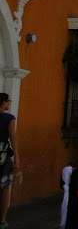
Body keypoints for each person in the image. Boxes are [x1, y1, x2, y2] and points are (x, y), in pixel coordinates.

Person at [0, 94, 19, 229]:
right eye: (8, 101)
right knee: (5, 188)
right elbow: (13, 138)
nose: (9, 103)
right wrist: (17, 157)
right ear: (3, 103)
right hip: (3, 157)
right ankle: (2, 220)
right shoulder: (9, 118)